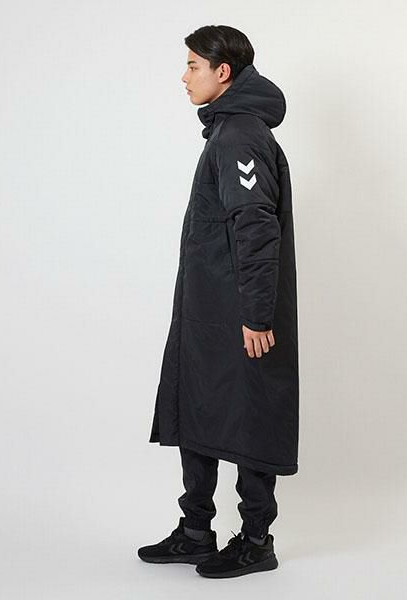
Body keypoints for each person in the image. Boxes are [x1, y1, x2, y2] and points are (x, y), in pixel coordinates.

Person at [138, 24, 299, 578]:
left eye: (193, 66)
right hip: (210, 309)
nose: (184, 77)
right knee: (200, 406)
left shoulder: (239, 137)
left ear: (222, 72)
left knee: (251, 414)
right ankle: (195, 533)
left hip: (240, 314)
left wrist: (256, 314)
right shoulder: (227, 129)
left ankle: (255, 541)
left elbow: (254, 226)